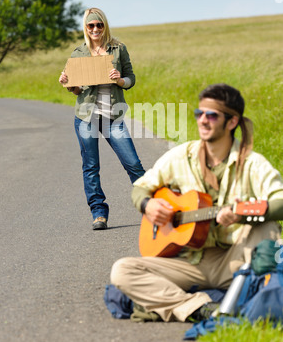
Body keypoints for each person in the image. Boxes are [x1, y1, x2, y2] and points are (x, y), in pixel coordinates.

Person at [110, 83, 283, 322]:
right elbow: (141, 187)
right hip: (188, 262)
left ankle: (225, 300)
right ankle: (198, 308)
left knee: (268, 229)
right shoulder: (182, 155)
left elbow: (280, 201)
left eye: (211, 115)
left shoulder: (253, 163)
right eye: (199, 114)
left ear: (232, 122)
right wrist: (147, 205)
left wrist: (241, 215)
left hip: (234, 260)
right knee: (123, 271)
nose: (203, 120)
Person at [59, 7, 145, 230]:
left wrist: (120, 80)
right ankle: (99, 213)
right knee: (91, 166)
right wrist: (69, 84)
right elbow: (77, 91)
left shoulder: (118, 49)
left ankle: (151, 206)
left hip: (112, 117)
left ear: (104, 25)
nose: (95, 29)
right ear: (85, 28)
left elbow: (131, 78)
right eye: (91, 25)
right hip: (86, 117)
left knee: (133, 163)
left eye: (99, 25)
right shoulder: (78, 53)